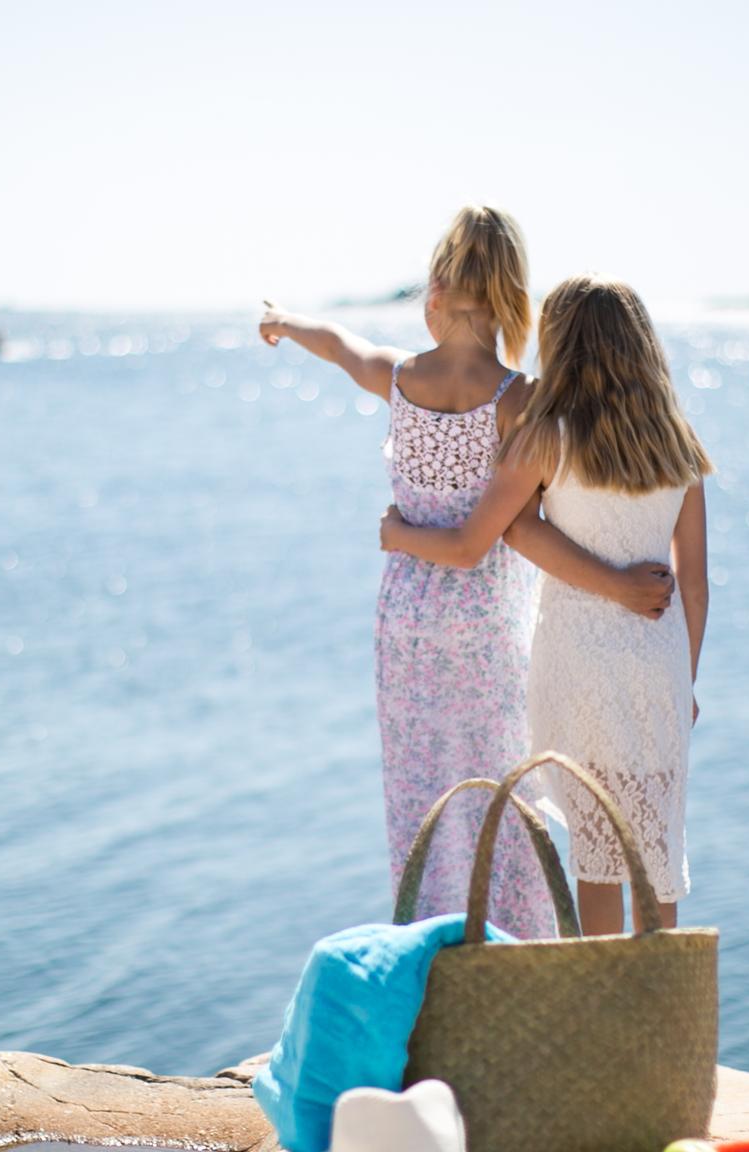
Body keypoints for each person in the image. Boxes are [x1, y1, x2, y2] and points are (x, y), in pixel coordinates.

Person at [260, 208, 675, 938]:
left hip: (409, 620)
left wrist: (288, 322)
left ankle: (436, 958)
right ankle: (518, 958)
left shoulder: (398, 377)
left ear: (436, 289)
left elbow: (339, 346)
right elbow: (516, 526)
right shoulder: (519, 398)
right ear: (513, 295)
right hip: (488, 625)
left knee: (425, 799)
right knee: (506, 799)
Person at [379, 274, 711, 934]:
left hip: (577, 660)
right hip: (659, 658)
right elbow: (694, 582)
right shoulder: (679, 443)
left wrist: (401, 535)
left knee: (597, 855)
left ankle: (599, 1007)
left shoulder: (546, 437)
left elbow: (499, 531)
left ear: (562, 346)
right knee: (654, 844)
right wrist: (687, 678)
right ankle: (666, 1004)